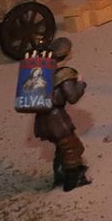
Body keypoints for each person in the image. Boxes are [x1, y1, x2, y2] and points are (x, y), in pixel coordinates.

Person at [32, 40, 90, 191]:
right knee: (73, 147)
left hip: (43, 118)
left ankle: (60, 174)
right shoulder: (64, 74)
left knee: (61, 147)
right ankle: (73, 180)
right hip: (56, 119)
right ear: (67, 53)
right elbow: (72, 97)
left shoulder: (43, 70)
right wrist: (81, 84)